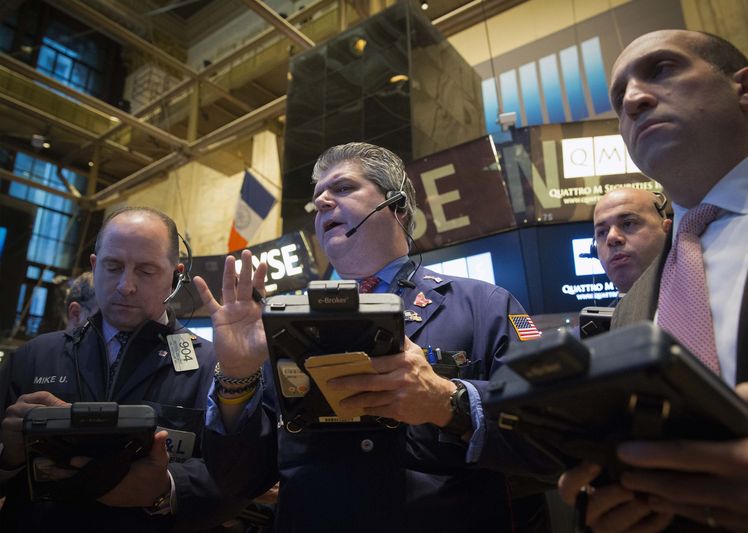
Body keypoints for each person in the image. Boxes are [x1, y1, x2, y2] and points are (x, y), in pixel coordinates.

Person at [195, 142, 560, 532]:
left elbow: (547, 436)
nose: (321, 203)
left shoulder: (484, 304)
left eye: (343, 188)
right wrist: (236, 376)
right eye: (318, 196)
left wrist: (447, 403)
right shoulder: (281, 325)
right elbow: (236, 480)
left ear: (398, 205)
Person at [558, 30, 748, 532]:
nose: (633, 99)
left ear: (746, 88)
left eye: (662, 69)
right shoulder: (632, 309)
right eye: (619, 96)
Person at [0, 207, 243, 531]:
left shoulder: (214, 367)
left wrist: (166, 489)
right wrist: (7, 459)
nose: (125, 286)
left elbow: (239, 475)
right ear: (94, 265)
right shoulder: (33, 356)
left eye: (146, 271)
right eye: (113, 267)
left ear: (175, 274)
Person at [592, 188, 671, 294]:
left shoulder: (696, 298)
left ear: (668, 232)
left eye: (628, 223)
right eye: (602, 232)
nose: (611, 238)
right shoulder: (615, 311)